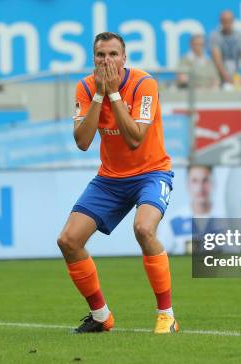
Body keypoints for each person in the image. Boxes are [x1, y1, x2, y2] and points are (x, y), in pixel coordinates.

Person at [58, 32, 178, 334]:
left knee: (144, 229)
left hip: (151, 173)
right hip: (110, 179)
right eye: (101, 55)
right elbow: (82, 142)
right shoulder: (85, 87)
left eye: (113, 54)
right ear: (93, 58)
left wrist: (113, 94)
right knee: (68, 241)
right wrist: (100, 94)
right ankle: (101, 316)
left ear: (124, 58)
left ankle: (167, 315)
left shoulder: (143, 84)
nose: (107, 60)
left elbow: (136, 138)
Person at [161, 164, 220, 254]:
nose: (200, 187)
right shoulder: (173, 221)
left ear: (213, 182)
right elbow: (159, 257)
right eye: (195, 181)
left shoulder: (227, 217)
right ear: (188, 184)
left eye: (205, 180)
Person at [209, 10, 241, 90]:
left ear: (233, 21)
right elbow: (218, 61)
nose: (227, 23)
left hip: (236, 74)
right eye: (224, 21)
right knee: (227, 88)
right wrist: (228, 79)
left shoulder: (239, 36)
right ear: (220, 22)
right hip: (220, 76)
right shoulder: (215, 36)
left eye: (229, 20)